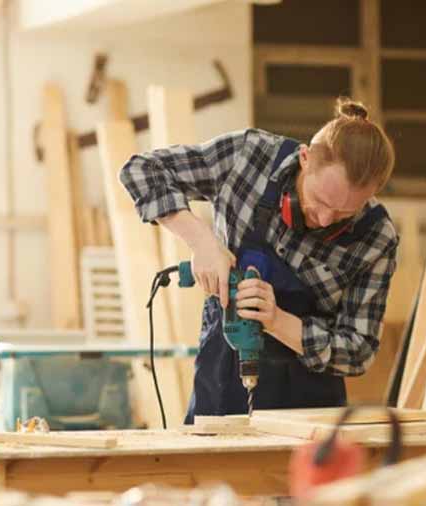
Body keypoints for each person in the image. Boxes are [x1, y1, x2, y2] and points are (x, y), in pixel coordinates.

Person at [120, 98, 398, 422]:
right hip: (222, 377)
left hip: (308, 406)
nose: (324, 220)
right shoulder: (249, 158)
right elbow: (141, 170)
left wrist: (276, 321)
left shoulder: (376, 236)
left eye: (343, 213)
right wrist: (202, 241)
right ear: (305, 158)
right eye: (319, 201)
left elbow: (358, 351)